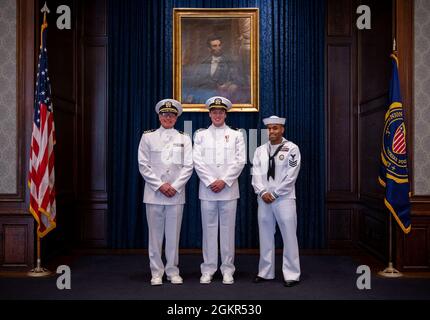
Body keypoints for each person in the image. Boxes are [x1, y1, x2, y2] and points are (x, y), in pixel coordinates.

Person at [137, 99, 193, 286]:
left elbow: (188, 166)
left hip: (175, 195)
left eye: (171, 115)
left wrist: (174, 186)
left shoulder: (184, 138)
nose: (167, 117)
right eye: (164, 114)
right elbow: (143, 165)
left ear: (176, 118)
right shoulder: (148, 137)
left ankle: (172, 271)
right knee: (155, 237)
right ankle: (156, 272)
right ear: (159, 116)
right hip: (154, 194)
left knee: (173, 236)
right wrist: (160, 185)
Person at [193, 96, 246, 285]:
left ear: (225, 114)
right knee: (208, 231)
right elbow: (197, 161)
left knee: (227, 230)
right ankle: (208, 269)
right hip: (207, 190)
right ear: (209, 114)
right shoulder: (200, 135)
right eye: (214, 112)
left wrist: (223, 181)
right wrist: (210, 181)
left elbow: (240, 161)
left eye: (220, 112)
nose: (217, 115)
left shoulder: (236, 135)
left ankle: (227, 269)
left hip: (228, 190)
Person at [251, 116, 301, 287]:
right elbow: (255, 175)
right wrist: (263, 191)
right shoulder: (259, 150)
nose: (272, 131)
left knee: (289, 236)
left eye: (275, 128)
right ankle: (265, 272)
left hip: (284, 199)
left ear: (282, 129)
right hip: (264, 199)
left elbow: (291, 176)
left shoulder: (292, 148)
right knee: (265, 236)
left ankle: (292, 274)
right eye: (269, 128)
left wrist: (276, 193)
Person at [184, 36, 241, 104]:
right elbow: (197, 80)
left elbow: (237, 79)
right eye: (215, 46)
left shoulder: (229, 61)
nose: (218, 48)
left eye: (219, 45)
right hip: (205, 94)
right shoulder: (204, 62)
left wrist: (228, 84)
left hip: (222, 95)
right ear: (209, 48)